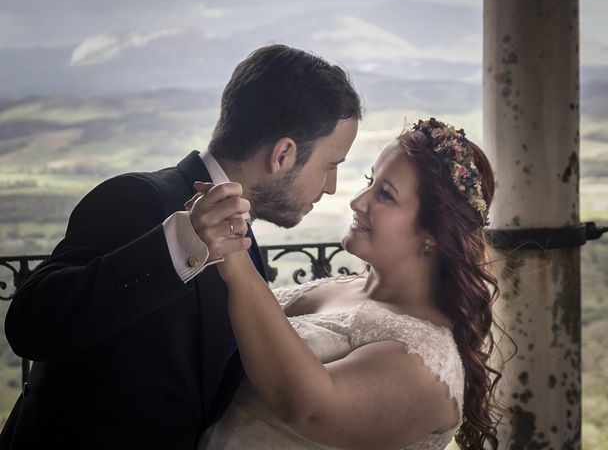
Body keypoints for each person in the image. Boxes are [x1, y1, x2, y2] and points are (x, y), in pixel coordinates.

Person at [0, 44, 362, 450]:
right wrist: (178, 245)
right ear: (283, 154)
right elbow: (30, 325)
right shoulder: (136, 198)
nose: (330, 186)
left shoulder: (244, 233)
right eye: (331, 165)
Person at [199, 118, 505, 450]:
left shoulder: (427, 365)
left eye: (385, 194)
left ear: (433, 232)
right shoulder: (343, 286)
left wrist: (236, 260)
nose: (358, 201)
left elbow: (307, 407)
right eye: (370, 180)